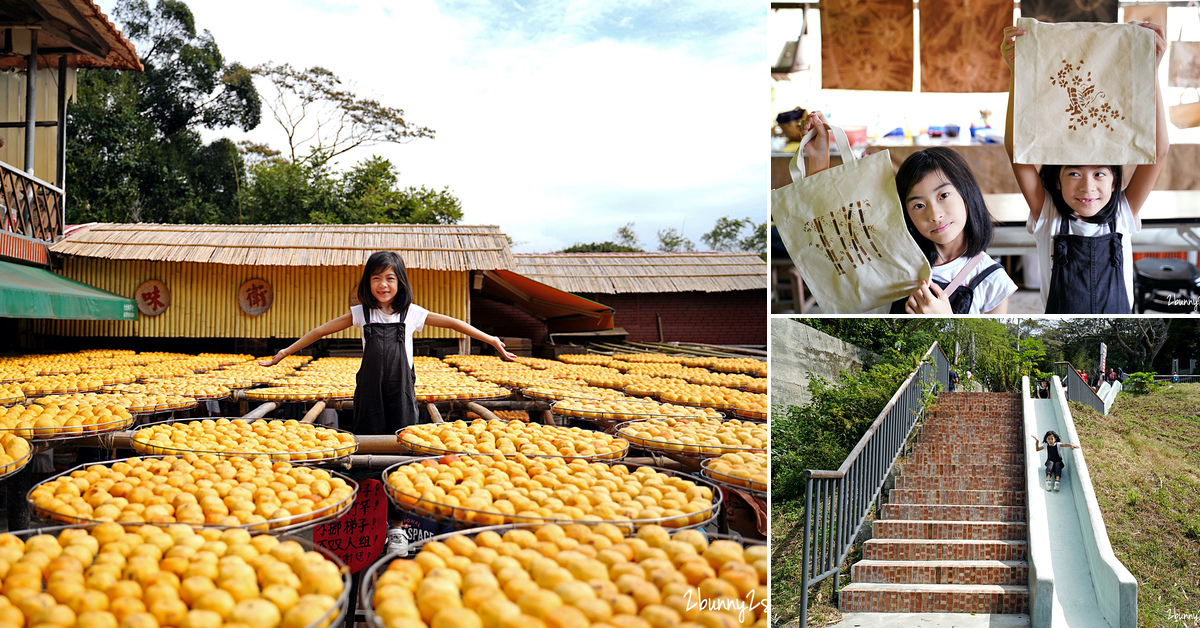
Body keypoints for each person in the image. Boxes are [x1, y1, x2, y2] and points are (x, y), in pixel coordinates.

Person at [1001, 22, 1169, 313]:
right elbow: (1017, 150)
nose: (1087, 186)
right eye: (1074, 173)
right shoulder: (1048, 216)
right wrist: (1020, 71)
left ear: (1115, 181)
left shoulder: (1122, 214)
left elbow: (1159, 150)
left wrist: (1149, 69)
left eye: (1100, 174)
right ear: (1056, 180)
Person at [259, 250, 517, 434]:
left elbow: (454, 323)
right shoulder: (362, 313)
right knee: (368, 435)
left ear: (400, 282)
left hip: (401, 391)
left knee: (403, 436)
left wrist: (490, 339)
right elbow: (319, 331)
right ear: (367, 282)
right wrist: (284, 352)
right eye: (376, 278)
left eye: (390, 278)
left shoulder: (411, 313)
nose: (383, 285)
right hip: (369, 392)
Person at [801, 114, 1018, 314]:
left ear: (966, 192)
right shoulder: (892, 255)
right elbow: (830, 227)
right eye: (918, 205)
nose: (934, 214)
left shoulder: (993, 282)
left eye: (943, 195)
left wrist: (946, 318)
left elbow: (980, 351)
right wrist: (818, 157)